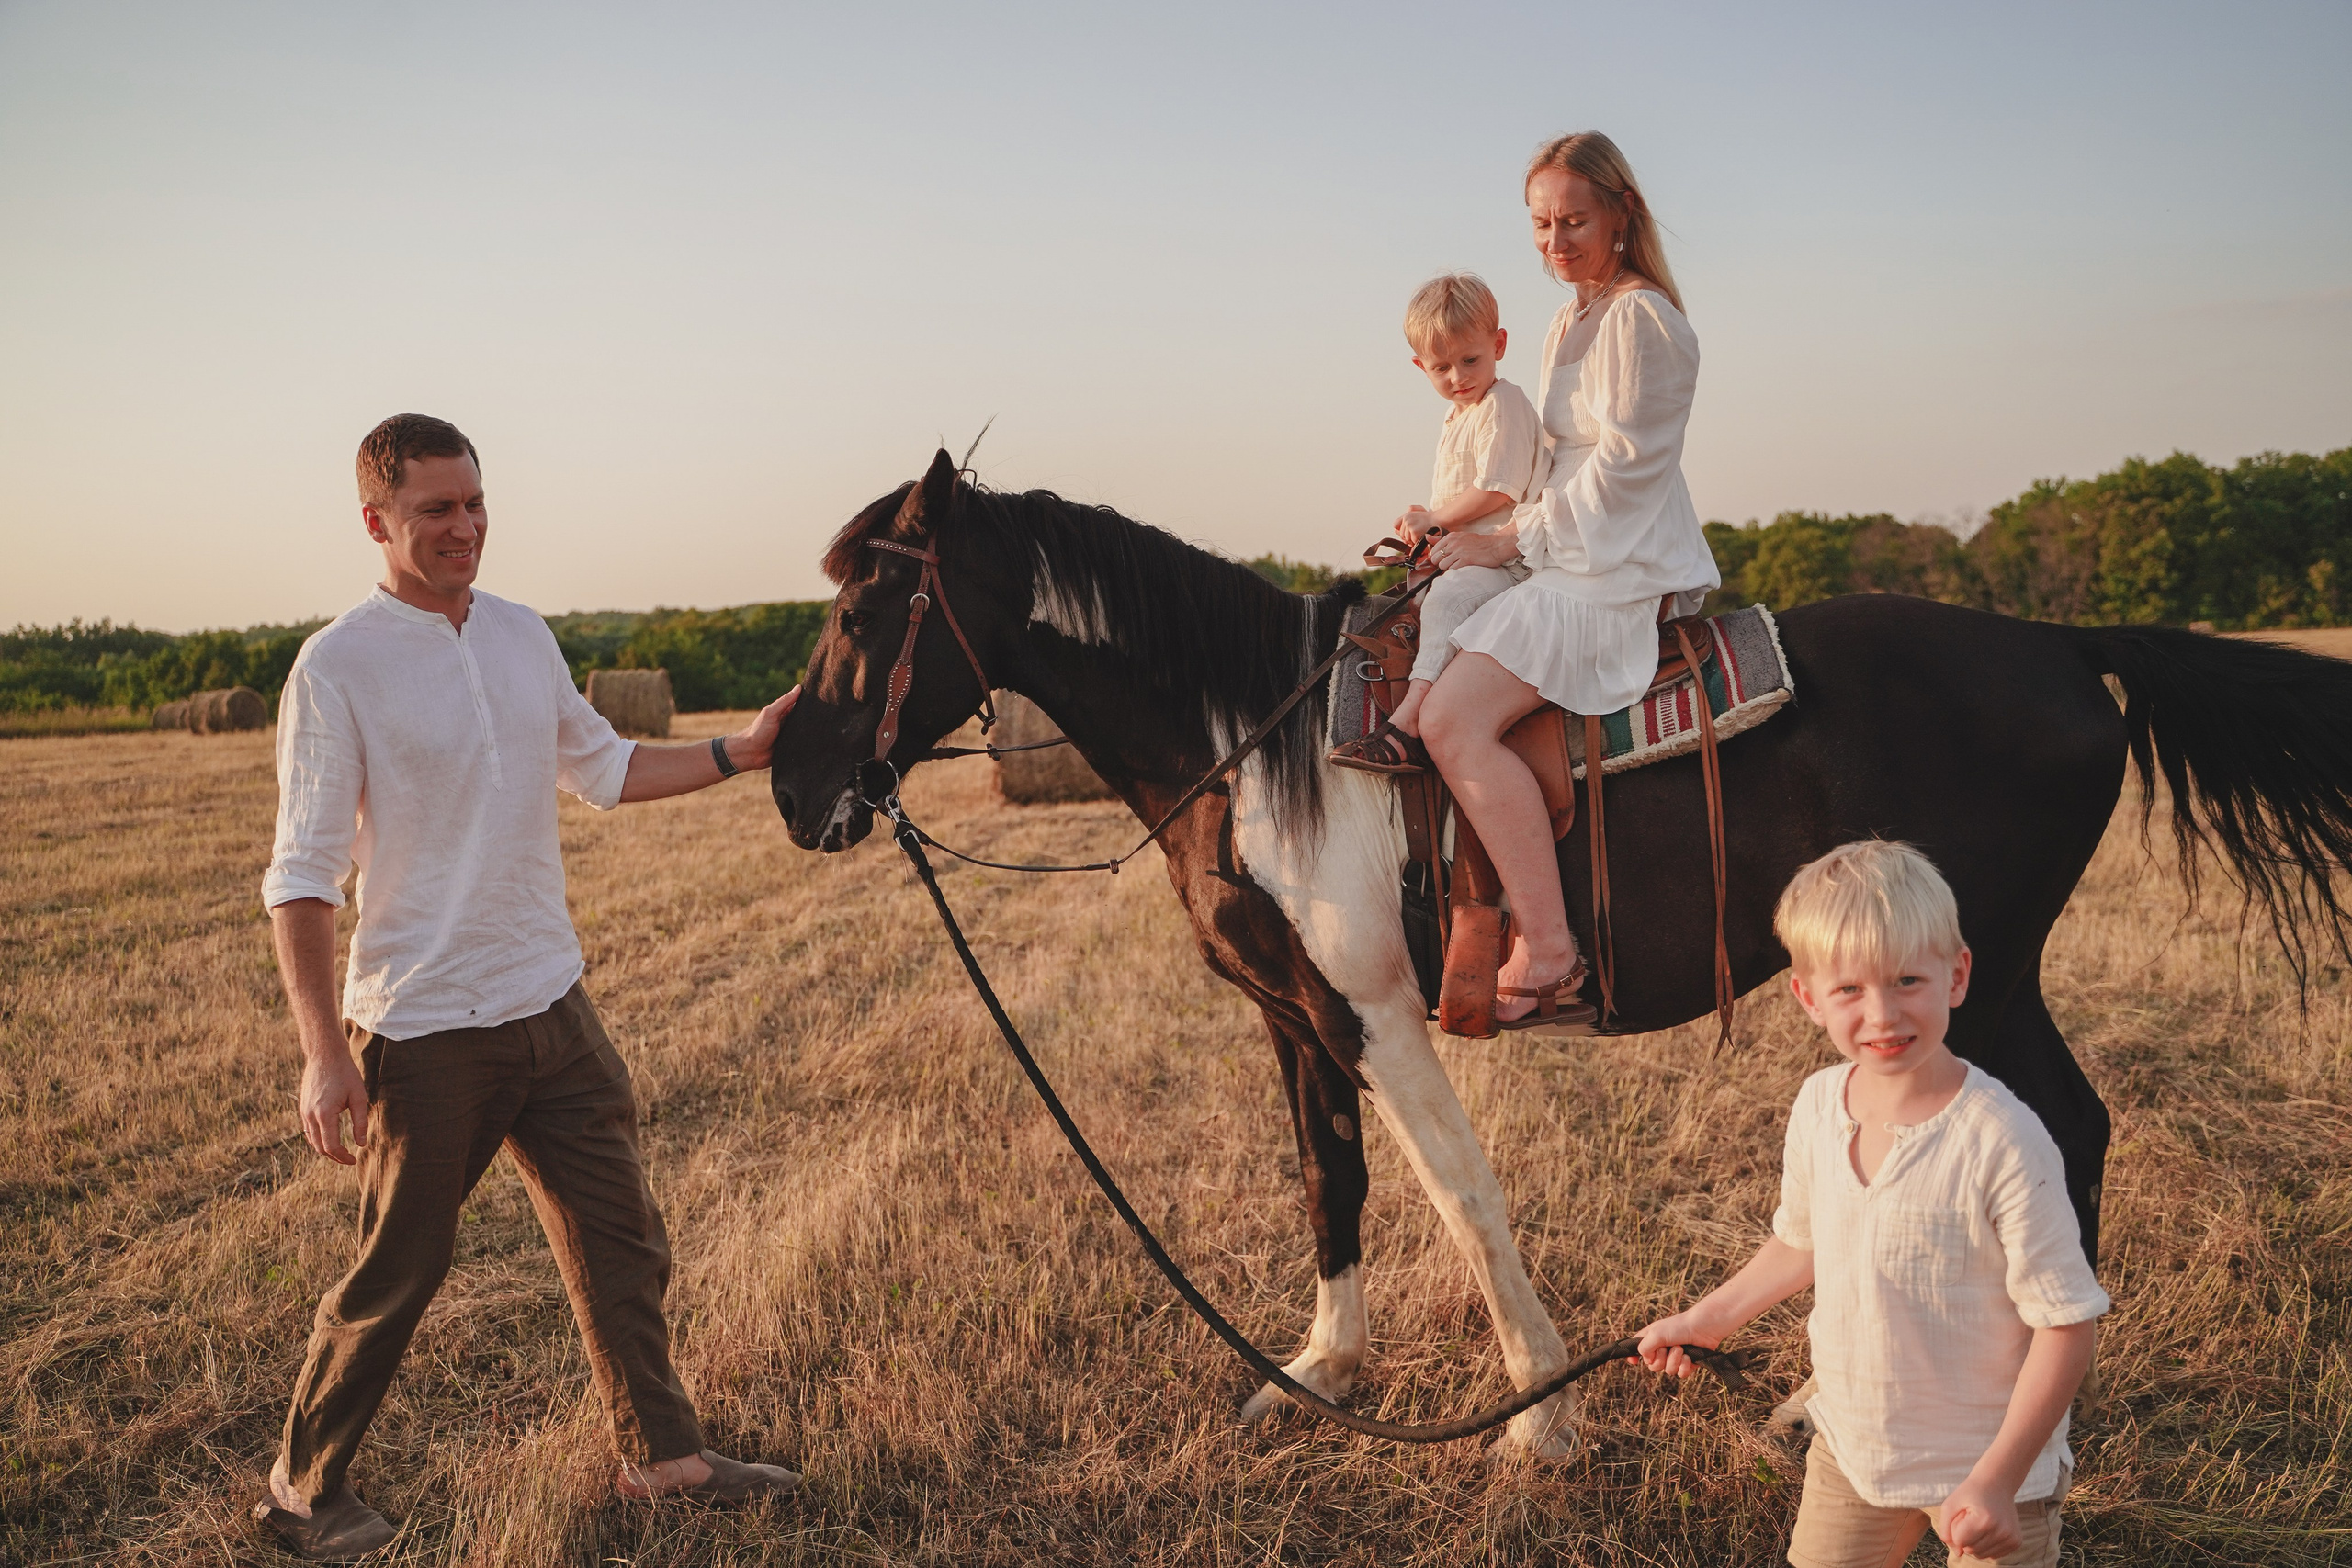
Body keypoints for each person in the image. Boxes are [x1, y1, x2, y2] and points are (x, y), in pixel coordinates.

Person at [254, 414, 801, 1560]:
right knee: (398, 1272)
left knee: (622, 1236)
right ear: (377, 522)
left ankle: (664, 1458)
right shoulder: (337, 666)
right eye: (435, 511)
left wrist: (735, 752)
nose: (465, 528)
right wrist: (323, 1054)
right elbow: (301, 881)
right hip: (425, 1024)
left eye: (474, 502)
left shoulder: (519, 634)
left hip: (550, 999)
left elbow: (601, 766)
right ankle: (303, 1491)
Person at [1634, 841, 2108, 1567]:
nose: (1883, 1013)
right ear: (1807, 997)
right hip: (1854, 1447)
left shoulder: (2004, 1141)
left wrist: (1999, 1479)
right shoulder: (1820, 1105)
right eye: (1850, 989)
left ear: (1958, 974)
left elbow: (2067, 1324)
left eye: (1908, 979)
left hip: (1989, 1469)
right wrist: (1707, 1318)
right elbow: (1802, 1241)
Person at [1416, 131, 1719, 1025]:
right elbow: (1546, 459)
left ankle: (1548, 948)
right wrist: (1471, 527)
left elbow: (1625, 473)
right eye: (1540, 224)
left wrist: (1515, 535)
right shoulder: (1567, 318)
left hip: (1613, 565)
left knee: (1453, 719)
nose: (1554, 241)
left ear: (1623, 212)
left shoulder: (1643, 320)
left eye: (1573, 220)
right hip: (1565, 546)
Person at [1329, 272, 1544, 772]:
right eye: (1441, 367)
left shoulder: (1501, 403)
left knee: (1446, 599)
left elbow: (1498, 489)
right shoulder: (1458, 416)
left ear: (1499, 344)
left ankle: (1408, 724)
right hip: (1468, 560)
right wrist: (1425, 524)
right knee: (1409, 605)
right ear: (1419, 366)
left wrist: (1433, 518)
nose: (1457, 377)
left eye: (1470, 359)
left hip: (1509, 561)